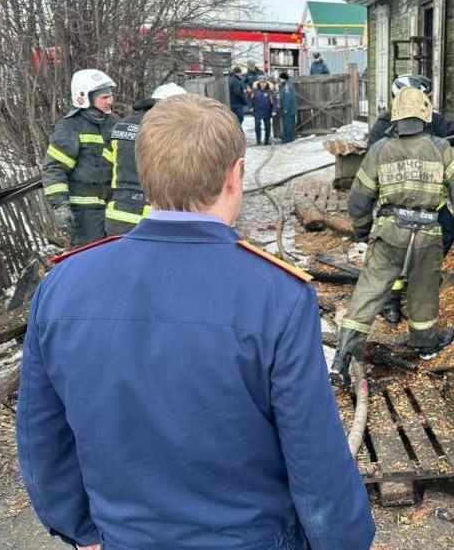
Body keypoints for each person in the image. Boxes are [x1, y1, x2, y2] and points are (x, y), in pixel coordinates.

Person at [18, 94, 375, 550]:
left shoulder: (64, 284)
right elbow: (314, 453)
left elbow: (41, 436)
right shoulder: (277, 295)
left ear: (143, 174)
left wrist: (79, 529)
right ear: (236, 175)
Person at [330, 87, 454, 387]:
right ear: (425, 115)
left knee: (369, 291)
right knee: (423, 290)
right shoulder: (441, 149)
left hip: (389, 233)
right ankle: (425, 344)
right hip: (427, 235)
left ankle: (343, 358)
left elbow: (359, 199)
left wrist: (361, 230)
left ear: (395, 118)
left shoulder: (379, 150)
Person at [368, 74, 454, 323]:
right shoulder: (384, 127)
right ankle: (392, 302)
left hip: (429, 201)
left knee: (447, 229)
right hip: (396, 202)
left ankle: (420, 274)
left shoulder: (430, 120)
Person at [42, 69, 118, 247]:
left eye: (110, 96)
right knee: (90, 259)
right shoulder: (70, 127)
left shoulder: (114, 123)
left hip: (113, 208)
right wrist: (60, 206)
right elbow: (54, 168)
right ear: (84, 97)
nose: (110, 101)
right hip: (84, 214)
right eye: (104, 97)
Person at [103, 82, 186, 236]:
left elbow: (105, 168)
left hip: (118, 214)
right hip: (156, 216)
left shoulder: (121, 125)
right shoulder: (169, 128)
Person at [251, 79, 275, 146]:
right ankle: (258, 140)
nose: (262, 84)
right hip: (257, 111)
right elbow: (250, 99)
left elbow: (273, 102)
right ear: (259, 83)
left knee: (267, 126)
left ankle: (266, 140)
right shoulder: (255, 91)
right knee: (257, 126)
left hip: (267, 111)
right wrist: (251, 107)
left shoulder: (269, 92)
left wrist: (273, 110)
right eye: (261, 83)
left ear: (266, 83)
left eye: (264, 83)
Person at [278, 71, 298, 143]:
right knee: (288, 124)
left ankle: (288, 138)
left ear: (284, 79)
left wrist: (285, 109)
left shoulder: (287, 87)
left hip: (288, 110)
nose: (280, 80)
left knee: (288, 124)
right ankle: (288, 137)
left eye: (280, 78)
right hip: (290, 110)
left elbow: (288, 99)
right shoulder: (287, 85)